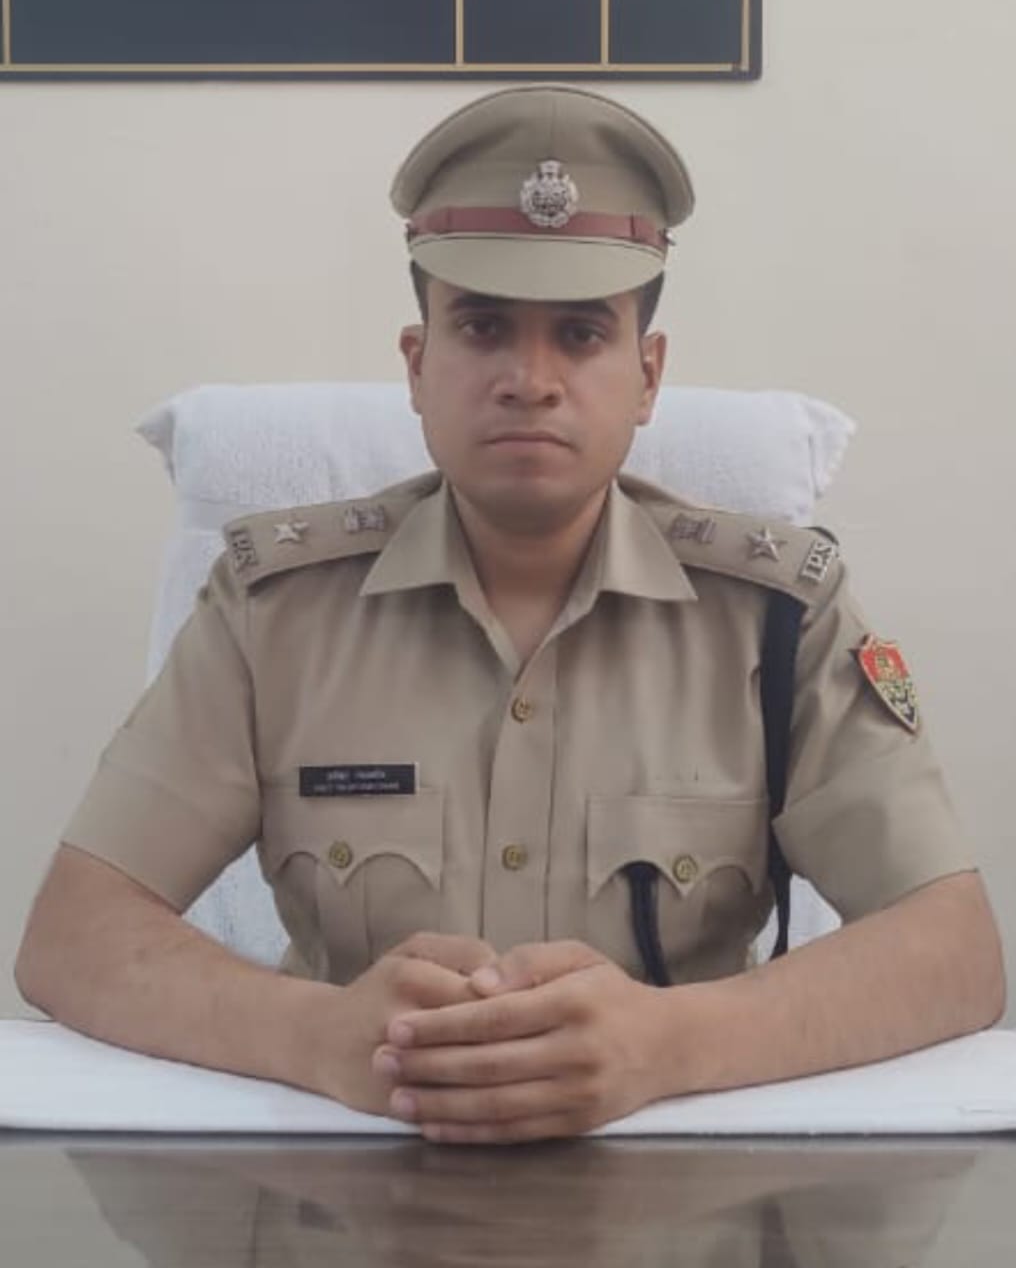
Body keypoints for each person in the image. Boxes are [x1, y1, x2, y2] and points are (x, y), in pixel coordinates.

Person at [16, 85, 1005, 1145]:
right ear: (417, 364)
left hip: (679, 1184)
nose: (529, 381)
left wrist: (668, 1044)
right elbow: (74, 935)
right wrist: (311, 1035)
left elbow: (951, 950)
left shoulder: (778, 616)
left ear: (646, 377)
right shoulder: (276, 613)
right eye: (483, 326)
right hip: (349, 1176)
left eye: (580, 333)